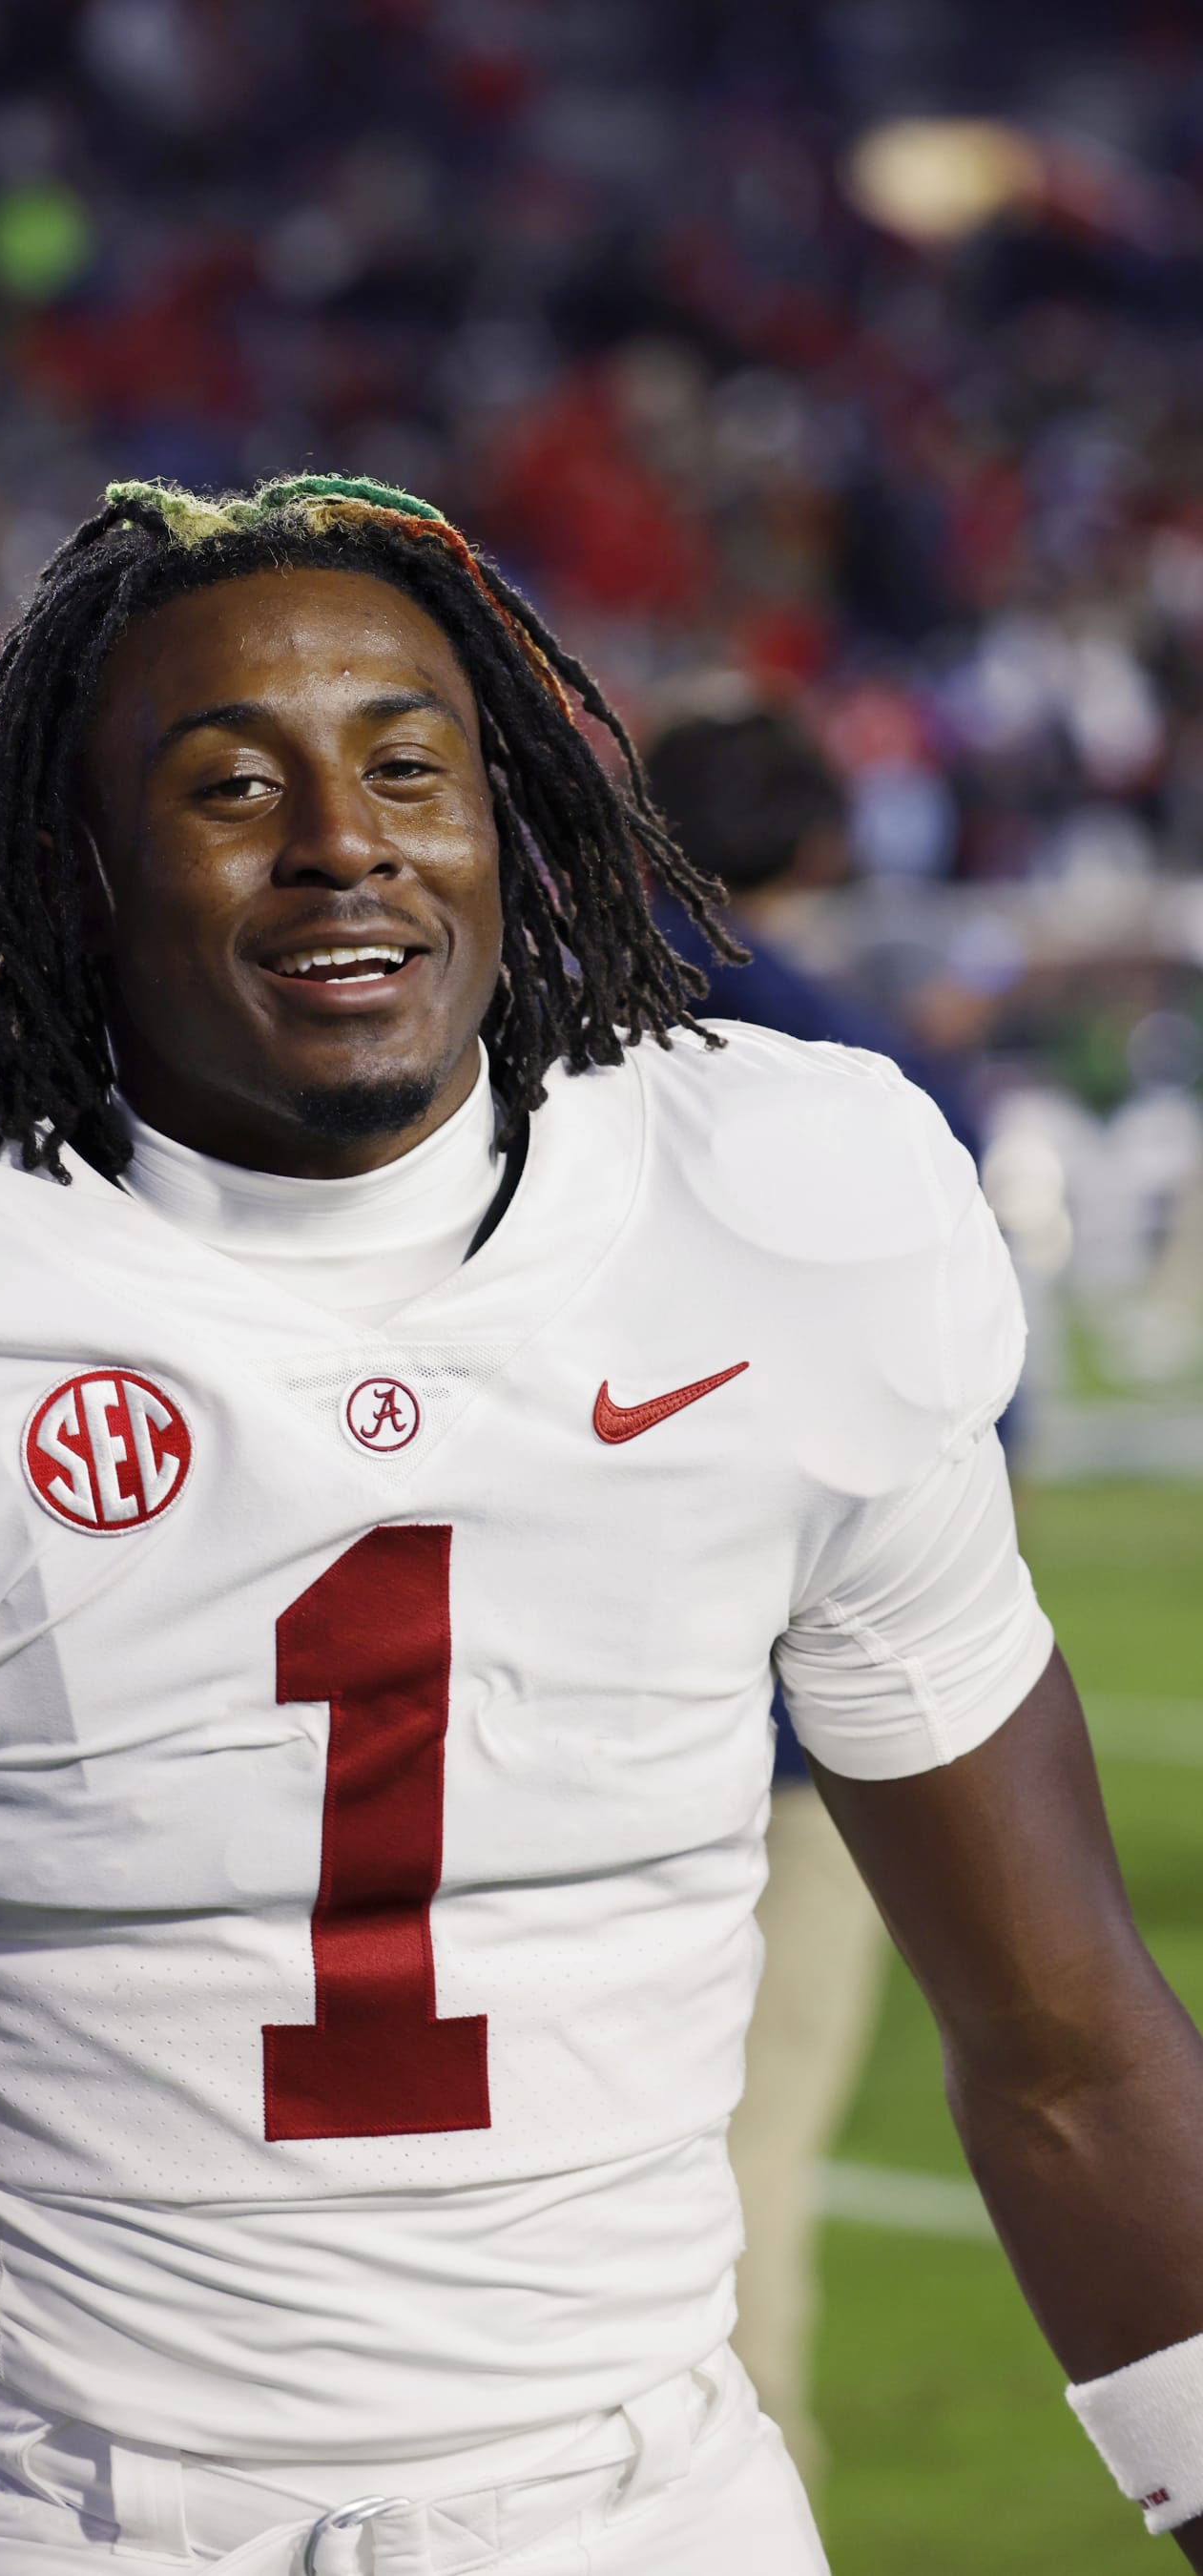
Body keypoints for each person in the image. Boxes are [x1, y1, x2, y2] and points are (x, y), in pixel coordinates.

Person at [0, 475, 1202, 2572]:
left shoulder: (790, 1207)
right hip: (108, 2528)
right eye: (232, 784)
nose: (346, 840)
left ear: (513, 818)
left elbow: (1062, 2036)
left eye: (412, 766)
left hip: (648, 2514)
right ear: (80, 863)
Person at [642, 702, 979, 2495]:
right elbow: (970, 1410)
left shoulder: (512, 1038)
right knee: (757, 2126)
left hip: (536, 1679)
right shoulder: (860, 1071)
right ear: (824, 849)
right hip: (787, 1699)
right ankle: (724, 2496)